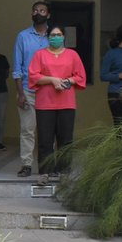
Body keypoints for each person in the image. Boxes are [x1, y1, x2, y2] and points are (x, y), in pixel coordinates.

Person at [29, 25, 87, 178]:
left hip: (66, 103)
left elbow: (80, 76)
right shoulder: (39, 55)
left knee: (66, 140)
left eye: (59, 34)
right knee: (45, 140)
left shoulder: (72, 55)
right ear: (48, 37)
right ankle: (45, 172)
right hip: (45, 103)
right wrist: (52, 80)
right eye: (53, 35)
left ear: (63, 36)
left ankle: (64, 171)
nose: (56, 37)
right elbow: (33, 76)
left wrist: (68, 81)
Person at [12, 1, 51, 178]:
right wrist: (20, 93)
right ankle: (26, 165)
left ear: (48, 15)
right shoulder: (22, 36)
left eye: (42, 10)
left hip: (49, 91)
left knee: (47, 131)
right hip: (28, 90)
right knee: (27, 130)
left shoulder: (54, 36)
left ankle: (47, 165)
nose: (38, 13)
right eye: (35, 10)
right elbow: (17, 67)